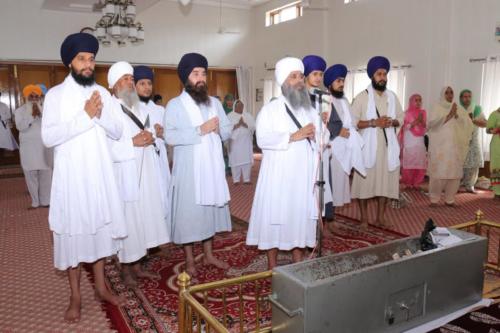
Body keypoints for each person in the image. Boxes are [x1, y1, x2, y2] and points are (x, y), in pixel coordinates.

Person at [41, 32, 127, 323]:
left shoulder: (102, 92)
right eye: (82, 59)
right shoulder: (55, 96)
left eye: (91, 59)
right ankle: (76, 295)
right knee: (73, 238)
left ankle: (101, 289)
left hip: (99, 175)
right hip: (72, 180)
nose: (88, 64)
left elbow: (117, 130)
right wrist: (86, 116)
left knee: (100, 234)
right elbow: (49, 136)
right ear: (70, 62)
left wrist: (99, 114)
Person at [246, 57, 319, 270]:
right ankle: (271, 265)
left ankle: (297, 263)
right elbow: (262, 139)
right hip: (278, 175)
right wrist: (294, 135)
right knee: (274, 217)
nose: (299, 81)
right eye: (293, 76)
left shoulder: (310, 109)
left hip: (303, 174)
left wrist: (318, 137)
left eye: (301, 76)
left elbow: (322, 136)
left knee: (297, 215)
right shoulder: (270, 110)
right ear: (283, 81)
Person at [164, 53, 232, 276]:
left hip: (211, 166)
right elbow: (169, 136)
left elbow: (227, 129)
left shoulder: (214, 103)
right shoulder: (175, 105)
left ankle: (209, 254)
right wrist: (199, 130)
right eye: (195, 74)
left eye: (203, 73)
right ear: (186, 78)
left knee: (208, 213)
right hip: (189, 169)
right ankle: (190, 259)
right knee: (189, 214)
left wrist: (220, 129)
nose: (201, 78)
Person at [107, 61, 170, 286]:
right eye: (125, 79)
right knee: (128, 219)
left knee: (143, 217)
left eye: (131, 79)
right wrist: (132, 142)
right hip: (126, 173)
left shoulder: (141, 107)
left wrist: (153, 134)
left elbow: (149, 131)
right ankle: (125, 268)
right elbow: (105, 147)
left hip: (148, 170)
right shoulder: (109, 109)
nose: (130, 83)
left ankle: (138, 265)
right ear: (114, 85)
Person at [351, 56, 404, 229]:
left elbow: (401, 119)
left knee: (385, 184)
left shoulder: (392, 97)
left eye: (385, 74)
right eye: (379, 74)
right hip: (367, 149)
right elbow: (353, 123)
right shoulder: (361, 98)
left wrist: (392, 122)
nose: (382, 77)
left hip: (388, 148)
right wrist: (374, 122)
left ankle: (381, 217)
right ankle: (364, 219)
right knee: (364, 185)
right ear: (372, 76)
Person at [323, 64, 365, 232]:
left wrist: (351, 131)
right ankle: (324, 224)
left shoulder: (344, 100)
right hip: (331, 149)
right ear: (329, 84)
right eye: (338, 81)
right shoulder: (325, 99)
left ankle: (332, 220)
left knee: (339, 187)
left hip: (344, 148)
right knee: (329, 187)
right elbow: (322, 122)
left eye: (343, 81)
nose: (341, 84)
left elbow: (352, 121)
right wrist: (338, 131)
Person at [302, 55, 338, 221]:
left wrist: (327, 122)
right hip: (302, 150)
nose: (318, 78)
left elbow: (336, 124)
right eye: (314, 73)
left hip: (321, 151)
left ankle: (319, 227)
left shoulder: (324, 97)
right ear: (306, 75)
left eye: (321, 74)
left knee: (322, 188)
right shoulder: (297, 96)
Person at [427, 86, 473, 206]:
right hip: (439, 147)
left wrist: (457, 116)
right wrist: (449, 115)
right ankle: (434, 199)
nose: (449, 95)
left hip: (454, 147)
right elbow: (431, 124)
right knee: (438, 175)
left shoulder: (458, 107)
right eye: (447, 93)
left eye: (451, 92)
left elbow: (467, 123)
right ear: (443, 94)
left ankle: (450, 199)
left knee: (454, 175)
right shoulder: (437, 107)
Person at [134, 65, 171, 205]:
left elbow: (169, 137)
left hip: (159, 158)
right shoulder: (129, 109)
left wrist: (163, 134)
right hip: (141, 161)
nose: (147, 87)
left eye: (149, 83)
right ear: (134, 85)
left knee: (162, 197)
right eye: (142, 83)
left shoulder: (160, 110)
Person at [15, 84, 53, 209]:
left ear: (40, 97)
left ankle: (45, 201)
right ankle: (35, 202)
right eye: (31, 95)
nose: (34, 98)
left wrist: (40, 112)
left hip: (44, 146)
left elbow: (51, 124)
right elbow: (21, 127)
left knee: (46, 174)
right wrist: (31, 116)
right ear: (26, 97)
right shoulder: (20, 111)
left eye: (36, 95)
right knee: (31, 175)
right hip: (29, 148)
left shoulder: (46, 109)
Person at [460, 89, 487, 193]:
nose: (467, 99)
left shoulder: (477, 109)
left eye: (469, 96)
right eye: (465, 96)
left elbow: (485, 123)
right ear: (461, 98)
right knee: (462, 162)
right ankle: (461, 183)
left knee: (474, 162)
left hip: (474, 139)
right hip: (461, 140)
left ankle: (470, 184)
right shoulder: (458, 109)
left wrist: (474, 120)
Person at [398, 94, 427, 189]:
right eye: (416, 100)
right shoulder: (406, 114)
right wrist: (415, 122)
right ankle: (408, 182)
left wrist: (421, 121)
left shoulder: (423, 112)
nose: (418, 102)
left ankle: (416, 182)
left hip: (420, 140)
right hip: (410, 140)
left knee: (419, 161)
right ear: (411, 101)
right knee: (409, 161)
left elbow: (425, 127)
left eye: (420, 100)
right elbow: (404, 127)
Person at [227, 100, 255, 184]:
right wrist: (237, 125)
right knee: (235, 160)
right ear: (234, 107)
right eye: (238, 106)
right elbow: (226, 129)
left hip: (246, 143)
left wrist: (245, 124)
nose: (240, 108)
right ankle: (236, 180)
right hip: (234, 143)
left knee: (246, 160)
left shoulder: (248, 115)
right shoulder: (229, 116)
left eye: (242, 106)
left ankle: (246, 179)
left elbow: (254, 126)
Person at [486, 107, 500, 200]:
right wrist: (493, 130)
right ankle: (498, 192)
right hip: (497, 145)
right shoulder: (494, 114)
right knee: (496, 167)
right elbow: (487, 129)